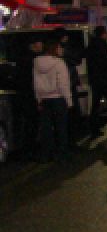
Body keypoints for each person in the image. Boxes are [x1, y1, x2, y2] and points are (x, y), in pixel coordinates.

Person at [34, 34, 73, 162]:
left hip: (44, 99)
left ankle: (46, 154)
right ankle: (62, 154)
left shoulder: (37, 62)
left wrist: (39, 99)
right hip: (58, 98)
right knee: (61, 127)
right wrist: (69, 101)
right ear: (55, 48)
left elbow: (36, 82)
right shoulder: (59, 63)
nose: (61, 50)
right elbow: (63, 84)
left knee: (46, 128)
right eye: (59, 47)